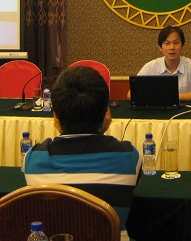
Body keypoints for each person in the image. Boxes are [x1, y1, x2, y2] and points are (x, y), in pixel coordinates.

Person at [24, 65, 142, 241]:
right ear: (106, 113)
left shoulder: (33, 159)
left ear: (56, 117)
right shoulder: (129, 156)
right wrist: (100, 129)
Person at [127, 25, 191, 102]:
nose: (172, 47)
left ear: (182, 46)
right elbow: (131, 95)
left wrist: (172, 97)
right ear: (160, 47)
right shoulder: (151, 66)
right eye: (167, 43)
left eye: (176, 43)